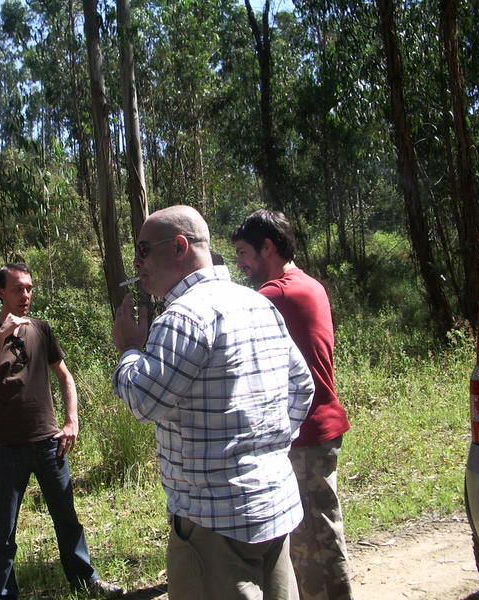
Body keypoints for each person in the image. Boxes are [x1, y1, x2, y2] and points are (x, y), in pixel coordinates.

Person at [111, 205, 315, 600]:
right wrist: (265, 452)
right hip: (273, 506)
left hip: (213, 523)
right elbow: (302, 387)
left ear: (179, 247)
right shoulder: (258, 303)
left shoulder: (183, 316)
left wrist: (130, 348)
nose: (137, 262)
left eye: (142, 250)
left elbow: (142, 401)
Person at [0, 263, 123, 600]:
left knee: (67, 518)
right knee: (2, 529)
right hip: (6, 448)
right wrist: (1, 338)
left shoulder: (41, 329)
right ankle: (4, 592)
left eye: (28, 288)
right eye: (17, 289)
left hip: (48, 443)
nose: (25, 295)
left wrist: (72, 421)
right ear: (0, 292)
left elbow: (65, 376)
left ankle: (86, 581)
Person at [232, 209, 353, 600]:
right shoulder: (308, 283)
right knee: (312, 538)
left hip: (305, 435)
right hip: (314, 431)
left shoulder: (275, 294)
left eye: (244, 253)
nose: (241, 264)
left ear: (268, 247)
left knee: (314, 543)